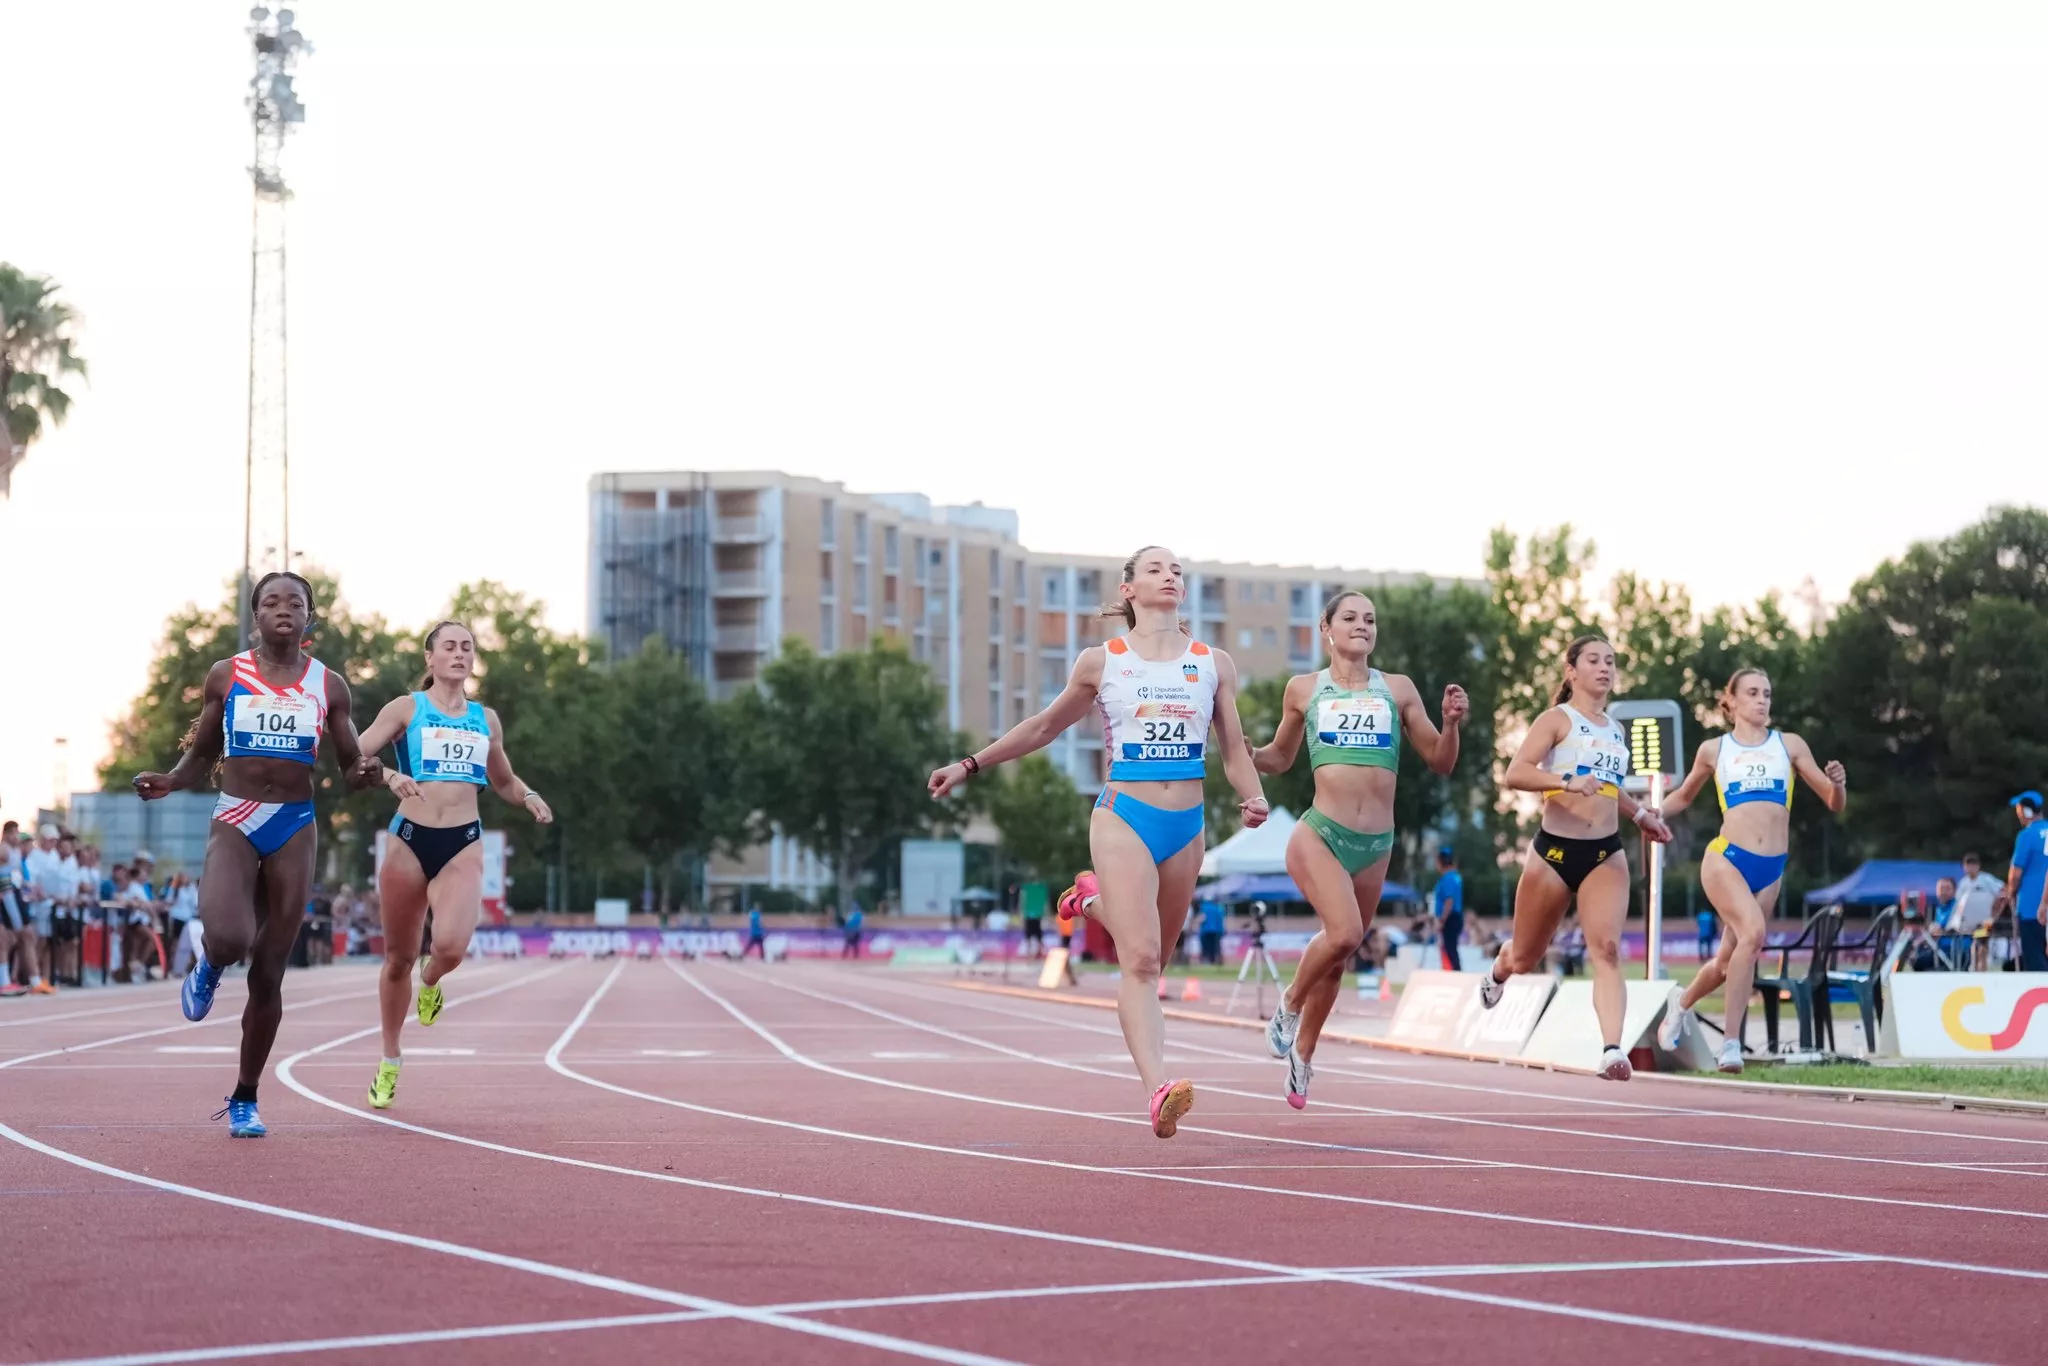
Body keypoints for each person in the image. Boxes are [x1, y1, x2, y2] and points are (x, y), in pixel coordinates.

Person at [929, 545, 1268, 1137]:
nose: (1171, 576)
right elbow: (1043, 726)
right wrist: (970, 765)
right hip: (1124, 816)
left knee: (1157, 958)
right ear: (1130, 588)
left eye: (1177, 571)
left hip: (1187, 825)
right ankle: (1158, 1088)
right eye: (1156, 569)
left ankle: (1088, 901)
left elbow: (1234, 750)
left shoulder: (1212, 662)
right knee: (1138, 961)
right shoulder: (1102, 660)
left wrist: (1254, 795)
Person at [133, 572, 377, 1137]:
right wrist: (172, 780)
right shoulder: (227, 674)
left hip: (295, 825)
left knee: (269, 973)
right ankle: (209, 966)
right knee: (231, 938)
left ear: (309, 617)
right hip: (237, 818)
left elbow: (348, 765)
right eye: (272, 601)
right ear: (256, 618)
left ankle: (245, 1097)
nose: (284, 609)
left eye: (295, 602)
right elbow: (201, 754)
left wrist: (364, 772)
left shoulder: (328, 685)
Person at [1251, 590, 1466, 1108]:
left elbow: (1440, 760)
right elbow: (1279, 758)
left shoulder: (1398, 690)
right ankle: (1289, 1003)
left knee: (1340, 953)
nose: (1362, 626)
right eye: (1350, 618)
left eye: (1370, 619)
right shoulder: (1304, 689)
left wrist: (1453, 723)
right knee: (1345, 931)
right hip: (1319, 833)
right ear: (1326, 627)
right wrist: (1240, 750)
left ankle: (1303, 1056)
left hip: (1376, 844)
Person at [351, 620, 553, 1110]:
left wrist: (526, 795)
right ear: (430, 657)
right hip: (408, 840)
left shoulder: (487, 719)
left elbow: (502, 780)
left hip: (462, 840)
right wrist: (391, 775)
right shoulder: (406, 709)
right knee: (396, 959)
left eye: (467, 647)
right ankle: (390, 1059)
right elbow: (355, 756)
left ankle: (433, 977)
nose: (459, 654)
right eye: (450, 646)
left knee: (451, 947)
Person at [1477, 635, 1672, 1081]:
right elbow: (1516, 773)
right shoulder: (1557, 720)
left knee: (1605, 949)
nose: (1604, 668)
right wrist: (1566, 780)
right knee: (1526, 957)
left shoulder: (1616, 729)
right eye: (1593, 660)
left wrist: (1640, 813)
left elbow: (1607, 786)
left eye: (1610, 661)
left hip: (1605, 853)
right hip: (1554, 852)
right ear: (1572, 670)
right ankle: (1499, 969)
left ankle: (1611, 1050)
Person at [1655, 668, 1846, 1072]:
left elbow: (1833, 802)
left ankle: (1681, 1002)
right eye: (1753, 693)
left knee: (1728, 961)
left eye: (1768, 694)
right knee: (1754, 934)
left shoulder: (1789, 745)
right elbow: (1685, 796)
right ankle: (1731, 1045)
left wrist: (1839, 784)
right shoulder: (1714, 750)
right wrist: (1649, 813)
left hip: (1771, 869)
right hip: (1726, 859)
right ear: (1733, 702)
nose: (1762, 700)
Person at [2003, 790, 2047, 973]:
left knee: (2035, 958)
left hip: (2031, 907)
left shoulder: (2027, 836)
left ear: (2027, 811)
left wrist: (2010, 894)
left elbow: (2015, 874)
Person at [1433, 849, 1466, 972]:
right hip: (1454, 917)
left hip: (1450, 917)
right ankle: (1452, 970)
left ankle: (1455, 971)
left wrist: (1442, 919)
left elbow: (1449, 901)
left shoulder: (1448, 878)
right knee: (1450, 947)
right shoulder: (1455, 877)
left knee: (1450, 947)